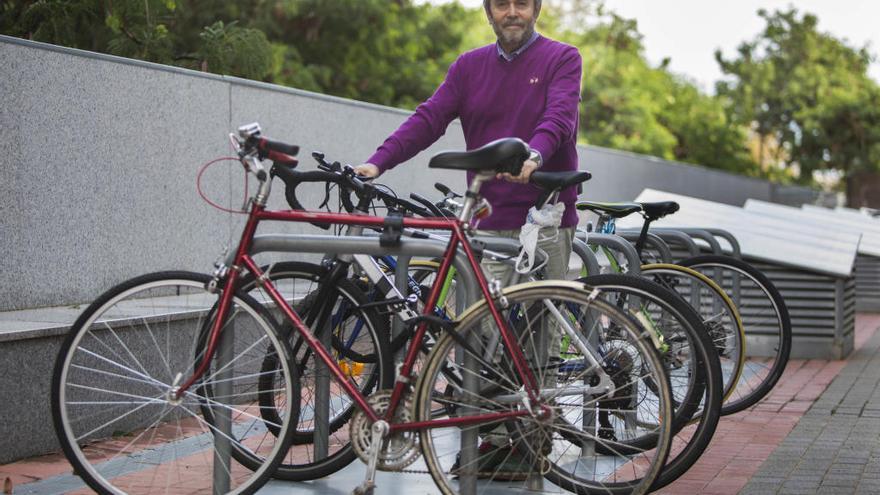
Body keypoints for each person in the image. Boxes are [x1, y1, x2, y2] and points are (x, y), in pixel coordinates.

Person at [356, 0, 582, 478]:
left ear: (536, 8)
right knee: (477, 335)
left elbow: (560, 117)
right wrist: (378, 162)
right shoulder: (468, 66)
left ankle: (530, 442)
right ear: (488, 11)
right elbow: (429, 118)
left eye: (522, 3)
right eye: (502, 4)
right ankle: (489, 442)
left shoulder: (562, 58)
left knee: (539, 332)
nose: (513, 12)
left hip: (544, 218)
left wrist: (535, 155)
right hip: (486, 219)